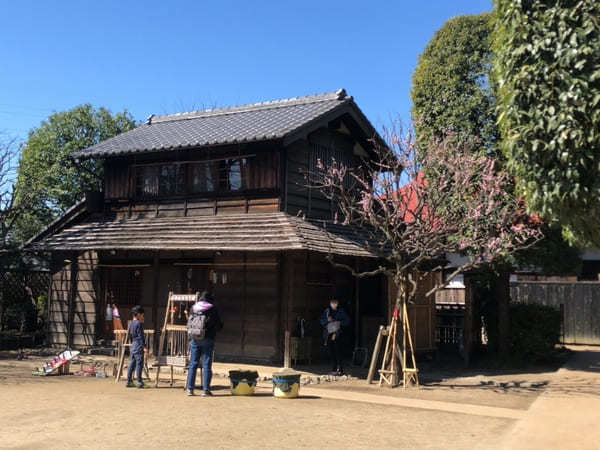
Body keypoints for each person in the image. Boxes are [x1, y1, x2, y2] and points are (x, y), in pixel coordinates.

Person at [186, 291, 223, 397]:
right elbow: (218, 324)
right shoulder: (212, 308)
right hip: (208, 338)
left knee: (193, 363)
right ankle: (206, 390)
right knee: (206, 364)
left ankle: (190, 389)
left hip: (194, 338)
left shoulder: (193, 308)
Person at [320, 299, 349, 376]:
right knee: (331, 351)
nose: (333, 304)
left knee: (338, 351)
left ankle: (340, 369)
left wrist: (339, 322)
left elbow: (347, 321)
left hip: (338, 334)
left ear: (337, 303)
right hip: (329, 334)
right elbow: (321, 321)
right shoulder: (327, 311)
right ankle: (334, 369)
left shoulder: (341, 311)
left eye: (335, 302)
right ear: (330, 303)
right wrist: (327, 320)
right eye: (332, 303)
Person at [125, 305, 147, 388]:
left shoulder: (131, 323)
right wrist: (144, 347)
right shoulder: (139, 324)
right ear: (138, 314)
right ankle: (139, 382)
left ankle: (129, 381)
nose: (143, 316)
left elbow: (131, 335)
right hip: (138, 345)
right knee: (139, 364)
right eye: (142, 315)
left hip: (133, 345)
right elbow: (141, 336)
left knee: (131, 363)